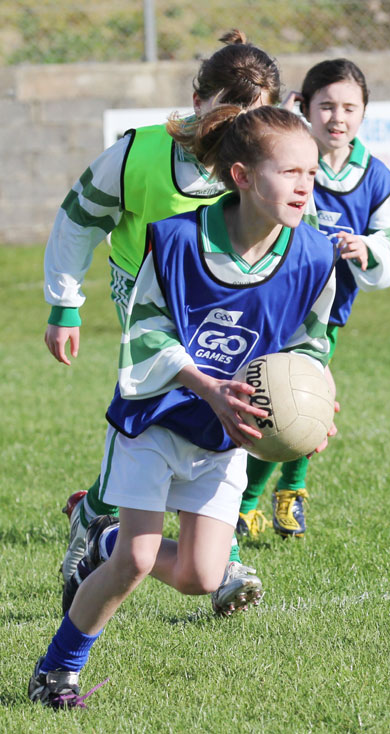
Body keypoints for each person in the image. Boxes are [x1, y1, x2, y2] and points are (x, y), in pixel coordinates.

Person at [29, 104, 336, 708]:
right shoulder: (174, 241)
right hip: (157, 419)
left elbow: (309, 343)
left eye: (312, 173)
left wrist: (312, 411)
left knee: (200, 576)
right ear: (243, 176)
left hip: (225, 436)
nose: (305, 185)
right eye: (290, 171)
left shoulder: (314, 257)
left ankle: (104, 535)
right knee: (135, 562)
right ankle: (56, 672)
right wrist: (209, 389)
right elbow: (145, 333)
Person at [44, 30, 304, 613]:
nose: (241, 128)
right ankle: (144, 537)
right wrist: (65, 303)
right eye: (230, 113)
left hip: (234, 310)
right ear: (197, 99)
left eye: (256, 117)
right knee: (171, 412)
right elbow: (76, 219)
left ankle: (134, 530)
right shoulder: (140, 155)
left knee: (225, 408)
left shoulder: (267, 168)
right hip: (152, 307)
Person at [237, 58, 390, 539]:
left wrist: (368, 246)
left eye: (349, 108)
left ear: (363, 113)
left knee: (295, 403)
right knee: (266, 401)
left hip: (325, 316)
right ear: (305, 107)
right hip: (271, 302)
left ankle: (273, 499)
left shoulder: (374, 177)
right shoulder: (285, 161)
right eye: (327, 106)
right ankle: (250, 500)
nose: (338, 117)